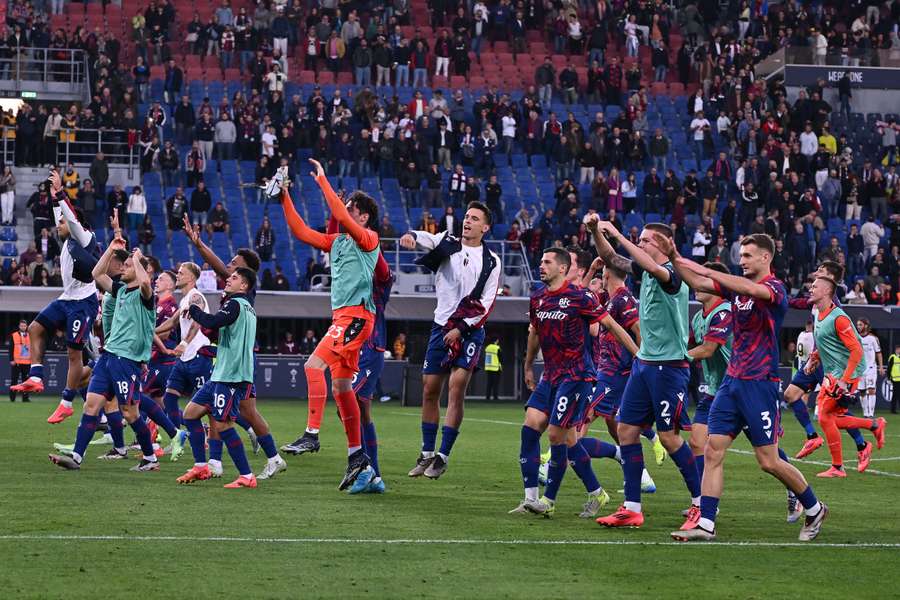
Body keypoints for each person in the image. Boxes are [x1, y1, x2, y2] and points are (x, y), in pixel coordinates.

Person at [661, 233, 828, 542]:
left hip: (759, 384)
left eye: (748, 255)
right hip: (731, 383)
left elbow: (749, 288)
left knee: (769, 461)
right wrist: (673, 256)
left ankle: (814, 507)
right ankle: (706, 524)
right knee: (713, 450)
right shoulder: (737, 291)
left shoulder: (774, 289)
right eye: (741, 256)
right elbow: (697, 284)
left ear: (766, 257)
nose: (742, 260)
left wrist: (709, 270)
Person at [588, 218, 701, 530]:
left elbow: (651, 266)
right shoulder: (644, 270)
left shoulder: (672, 276)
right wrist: (596, 231)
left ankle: (700, 503)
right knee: (626, 431)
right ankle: (632, 508)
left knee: (669, 437)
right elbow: (612, 259)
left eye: (648, 240)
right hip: (645, 363)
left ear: (665, 245)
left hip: (670, 366)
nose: (641, 243)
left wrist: (618, 234)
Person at [511, 248, 637, 518]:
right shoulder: (538, 298)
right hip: (550, 375)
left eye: (547, 262)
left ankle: (548, 501)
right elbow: (534, 334)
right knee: (532, 428)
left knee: (557, 435)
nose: (541, 265)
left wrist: (639, 354)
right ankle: (535, 497)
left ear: (563, 268)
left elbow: (612, 325)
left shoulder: (581, 297)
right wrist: (527, 365)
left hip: (576, 376)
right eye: (541, 260)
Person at [280, 158, 380, 491]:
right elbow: (299, 230)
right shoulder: (337, 242)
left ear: (362, 216)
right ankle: (357, 458)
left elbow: (338, 213)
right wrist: (284, 196)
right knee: (341, 388)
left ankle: (311, 434)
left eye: (351, 207)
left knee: (312, 366)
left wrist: (323, 182)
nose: (344, 210)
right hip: (344, 318)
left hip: (355, 316)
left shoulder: (369, 238)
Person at [399, 201, 501, 479]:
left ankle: (443, 455)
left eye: (474, 218)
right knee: (430, 389)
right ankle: (427, 453)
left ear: (485, 227)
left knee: (457, 387)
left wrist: (464, 327)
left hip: (470, 329)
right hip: (441, 326)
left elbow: (488, 302)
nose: (467, 221)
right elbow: (425, 238)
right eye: (466, 217)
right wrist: (411, 235)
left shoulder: (492, 260)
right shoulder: (447, 242)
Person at [179, 221, 287, 480]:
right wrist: (198, 244)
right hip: (229, 358)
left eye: (233, 264)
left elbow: (216, 267)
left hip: (237, 361)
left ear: (245, 274)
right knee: (231, 411)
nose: (228, 266)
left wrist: (199, 244)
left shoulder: (242, 295)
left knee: (239, 412)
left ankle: (264, 461)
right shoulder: (237, 292)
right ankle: (217, 461)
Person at [49, 240, 159, 473]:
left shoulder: (145, 296)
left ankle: (150, 458)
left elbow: (146, 282)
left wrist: (138, 260)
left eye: (128, 266)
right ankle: (77, 457)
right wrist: (111, 248)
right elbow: (96, 273)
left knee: (130, 412)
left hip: (128, 360)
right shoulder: (120, 291)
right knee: (91, 404)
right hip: (109, 357)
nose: (123, 269)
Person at [13, 170, 100, 426]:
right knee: (35, 328)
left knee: (74, 355)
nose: (57, 225)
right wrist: (53, 197)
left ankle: (65, 403)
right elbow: (61, 214)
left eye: (61, 222)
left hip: (84, 302)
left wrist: (62, 193)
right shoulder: (66, 238)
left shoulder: (83, 236)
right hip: (67, 298)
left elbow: (70, 217)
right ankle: (36, 376)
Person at [175, 267, 261, 488]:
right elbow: (221, 332)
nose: (228, 279)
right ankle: (202, 466)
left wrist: (193, 310)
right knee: (191, 414)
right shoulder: (247, 309)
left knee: (223, 425)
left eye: (234, 277)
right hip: (222, 373)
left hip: (231, 376)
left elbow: (212, 322)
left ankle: (246, 476)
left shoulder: (235, 303)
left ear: (244, 286)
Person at [800, 276, 887, 478]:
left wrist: (844, 380)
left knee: (824, 417)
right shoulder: (819, 314)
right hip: (834, 372)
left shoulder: (839, 317)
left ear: (827, 292)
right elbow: (826, 343)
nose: (810, 289)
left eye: (815, 286)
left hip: (846, 373)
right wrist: (814, 358)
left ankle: (838, 467)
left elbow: (856, 351)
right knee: (831, 419)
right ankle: (873, 425)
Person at [856, 318, 883, 418]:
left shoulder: (873, 338)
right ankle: (865, 413)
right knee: (862, 391)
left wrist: (880, 367)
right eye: (857, 325)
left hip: (871, 368)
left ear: (866, 326)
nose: (858, 327)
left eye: (860, 325)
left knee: (871, 389)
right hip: (860, 369)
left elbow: (878, 353)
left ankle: (871, 413)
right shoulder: (856, 338)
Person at [9, 319, 31, 402]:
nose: (23, 327)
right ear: (19, 326)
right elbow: (10, 348)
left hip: (27, 362)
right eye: (21, 326)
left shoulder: (30, 335)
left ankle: (25, 398)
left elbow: (32, 348)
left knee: (26, 382)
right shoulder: (14, 335)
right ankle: (12, 398)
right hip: (16, 362)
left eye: (24, 326)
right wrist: (11, 359)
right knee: (14, 380)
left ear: (27, 327)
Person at [483, 337, 501, 402]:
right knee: (495, 383)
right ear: (495, 341)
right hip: (495, 368)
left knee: (489, 383)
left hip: (488, 368)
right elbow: (501, 358)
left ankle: (487, 396)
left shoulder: (487, 347)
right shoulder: (497, 348)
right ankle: (495, 397)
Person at [887, 344, 900, 414]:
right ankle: (893, 410)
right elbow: (889, 368)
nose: (899, 350)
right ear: (896, 350)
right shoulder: (892, 357)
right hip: (895, 379)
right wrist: (888, 378)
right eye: (898, 349)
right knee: (895, 395)